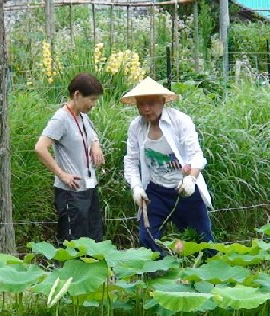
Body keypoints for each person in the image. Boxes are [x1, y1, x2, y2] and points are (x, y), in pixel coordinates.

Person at [122, 77, 214, 257]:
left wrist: (190, 179)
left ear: (163, 101)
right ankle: (160, 275)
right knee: (147, 238)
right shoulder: (136, 127)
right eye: (141, 104)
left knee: (204, 240)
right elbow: (131, 160)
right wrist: (136, 187)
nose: (146, 109)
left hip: (184, 189)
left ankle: (209, 279)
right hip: (156, 191)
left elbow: (196, 155)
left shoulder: (180, 121)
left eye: (151, 103)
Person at [34, 73, 105, 243]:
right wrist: (62, 174)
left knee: (95, 240)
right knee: (73, 243)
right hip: (71, 193)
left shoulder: (83, 116)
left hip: (89, 187)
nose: (93, 104)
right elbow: (40, 148)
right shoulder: (61, 119)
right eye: (92, 99)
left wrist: (96, 146)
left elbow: (92, 136)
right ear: (77, 95)